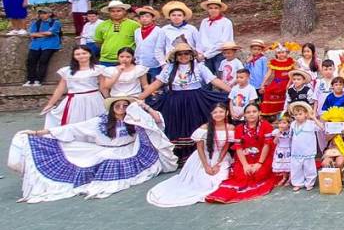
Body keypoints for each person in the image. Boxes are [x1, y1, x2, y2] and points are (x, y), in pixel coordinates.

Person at [8, 97, 176, 203]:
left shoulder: (135, 120)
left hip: (128, 151)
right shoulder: (99, 122)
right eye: (118, 105)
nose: (122, 108)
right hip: (105, 149)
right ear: (112, 108)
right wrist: (38, 133)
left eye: (125, 105)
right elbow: (73, 129)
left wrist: (145, 107)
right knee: (89, 161)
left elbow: (157, 122)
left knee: (110, 163)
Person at [137, 42, 231, 144]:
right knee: (176, 124)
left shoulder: (199, 67)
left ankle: (196, 150)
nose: (183, 56)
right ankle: (180, 154)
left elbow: (214, 80)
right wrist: (140, 97)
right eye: (180, 54)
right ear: (176, 56)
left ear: (191, 55)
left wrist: (232, 92)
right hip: (175, 101)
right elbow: (157, 83)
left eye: (186, 53)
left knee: (195, 123)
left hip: (195, 100)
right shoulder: (169, 68)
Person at [146, 103, 234, 207]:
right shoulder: (204, 128)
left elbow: (225, 147)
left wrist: (217, 163)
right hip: (203, 158)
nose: (218, 114)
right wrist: (206, 166)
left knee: (220, 180)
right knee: (204, 183)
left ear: (226, 113)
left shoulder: (230, 128)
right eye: (215, 112)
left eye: (221, 112)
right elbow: (200, 148)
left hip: (221, 158)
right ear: (211, 114)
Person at [206, 103, 278, 203]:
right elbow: (238, 148)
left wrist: (259, 163)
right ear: (244, 115)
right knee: (242, 175)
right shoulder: (239, 128)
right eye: (248, 112)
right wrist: (245, 165)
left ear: (259, 113)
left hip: (263, 157)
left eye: (254, 111)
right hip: (245, 158)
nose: (251, 114)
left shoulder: (266, 126)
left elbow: (267, 145)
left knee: (258, 174)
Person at [41, 46, 105, 128]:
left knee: (94, 121)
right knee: (74, 122)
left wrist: (108, 101)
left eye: (84, 53)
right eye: (77, 54)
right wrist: (50, 104)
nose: (81, 56)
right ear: (74, 56)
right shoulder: (67, 70)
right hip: (74, 100)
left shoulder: (98, 69)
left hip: (94, 99)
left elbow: (103, 87)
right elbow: (60, 89)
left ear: (90, 54)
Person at [285, 101, 322, 191]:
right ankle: (298, 183)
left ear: (306, 114)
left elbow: (322, 128)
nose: (298, 116)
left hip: (308, 150)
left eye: (300, 114)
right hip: (296, 150)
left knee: (309, 168)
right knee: (296, 168)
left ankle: (309, 182)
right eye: (296, 114)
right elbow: (290, 136)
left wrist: (314, 118)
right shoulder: (293, 124)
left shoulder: (311, 124)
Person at [93, 0, 140, 67]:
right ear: (109, 12)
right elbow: (98, 42)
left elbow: (139, 42)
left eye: (118, 11)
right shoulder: (102, 25)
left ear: (124, 11)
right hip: (106, 60)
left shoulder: (134, 25)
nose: (116, 13)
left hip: (127, 60)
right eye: (113, 11)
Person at [24, 7, 62, 86]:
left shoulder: (55, 22)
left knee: (43, 60)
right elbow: (31, 33)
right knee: (30, 60)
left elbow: (51, 33)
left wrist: (39, 34)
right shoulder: (36, 23)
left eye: (44, 13)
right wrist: (44, 34)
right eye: (40, 13)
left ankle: (39, 80)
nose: (42, 15)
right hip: (36, 44)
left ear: (50, 14)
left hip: (50, 44)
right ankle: (30, 79)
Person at [196, 0, 234, 74]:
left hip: (220, 53)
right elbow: (200, 38)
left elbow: (223, 42)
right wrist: (200, 52)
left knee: (222, 76)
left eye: (216, 8)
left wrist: (207, 53)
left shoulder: (226, 22)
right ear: (208, 9)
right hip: (205, 54)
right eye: (210, 8)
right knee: (206, 78)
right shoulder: (204, 22)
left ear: (220, 9)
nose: (213, 10)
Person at [259, 43, 295, 118]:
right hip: (277, 82)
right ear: (276, 54)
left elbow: (293, 73)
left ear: (286, 53)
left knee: (287, 92)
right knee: (268, 91)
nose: (281, 54)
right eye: (279, 53)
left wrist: (290, 83)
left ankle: (284, 113)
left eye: (283, 52)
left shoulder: (290, 61)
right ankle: (271, 113)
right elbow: (268, 74)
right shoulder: (273, 62)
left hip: (288, 82)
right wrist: (263, 84)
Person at [132, 6, 167, 82]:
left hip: (154, 63)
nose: (144, 18)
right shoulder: (137, 31)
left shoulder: (159, 31)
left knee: (155, 85)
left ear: (152, 18)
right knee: (142, 84)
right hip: (140, 63)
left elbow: (160, 48)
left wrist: (162, 63)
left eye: (147, 16)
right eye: (142, 16)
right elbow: (138, 45)